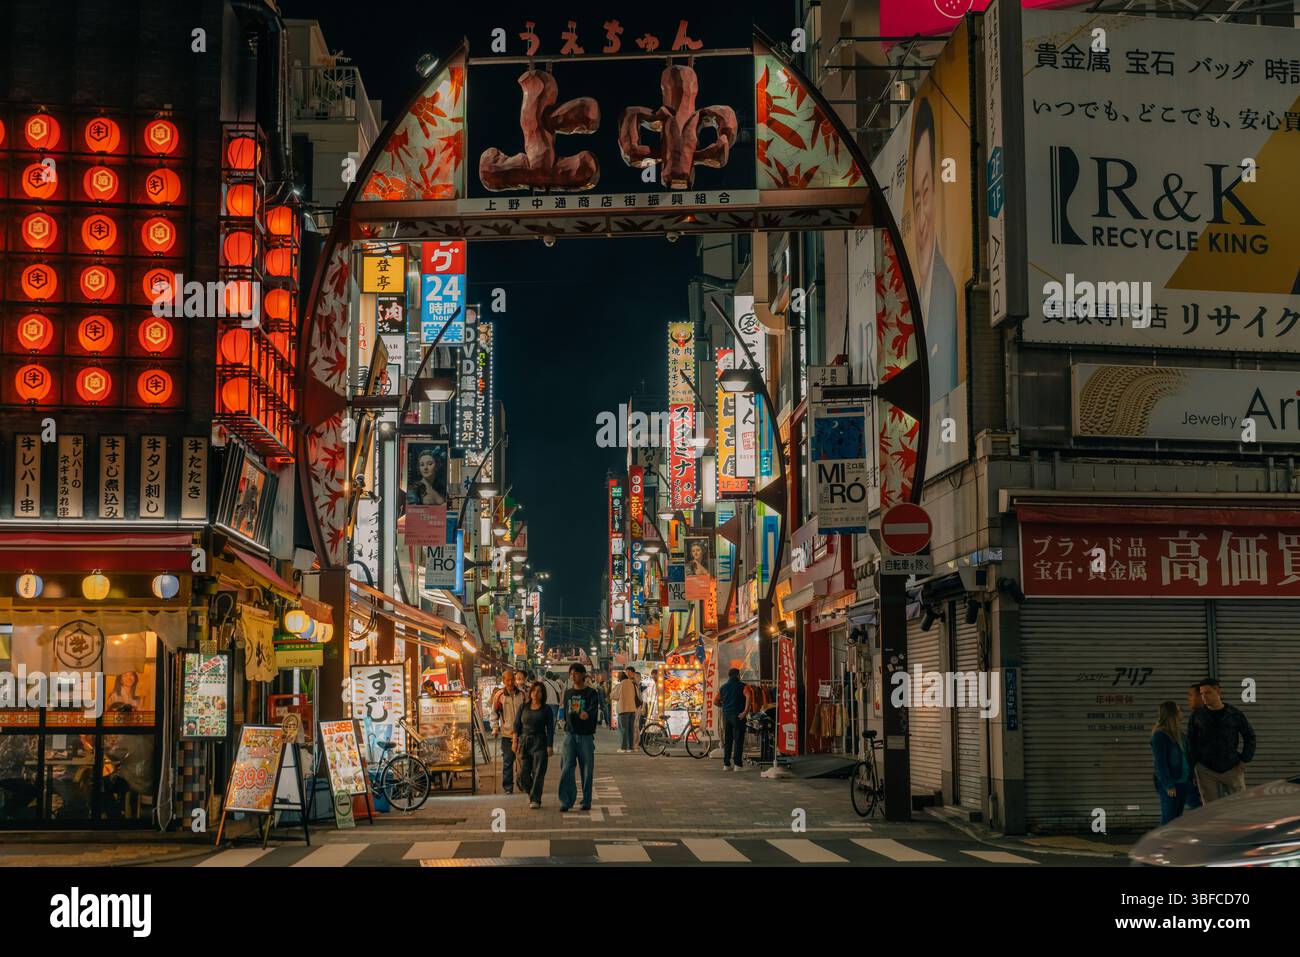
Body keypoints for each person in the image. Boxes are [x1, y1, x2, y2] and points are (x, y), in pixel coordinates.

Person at [909, 96, 958, 399]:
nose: (922, 214)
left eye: (926, 194)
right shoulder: (908, 295)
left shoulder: (946, 292)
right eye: (915, 199)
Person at [1187, 678, 1255, 803]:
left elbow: (1249, 736)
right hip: (1205, 769)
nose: (1204, 697)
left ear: (1218, 692)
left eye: (1208, 693)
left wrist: (1245, 759)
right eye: (1201, 694)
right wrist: (1193, 768)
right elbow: (1191, 742)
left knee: (1240, 805)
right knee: (1210, 809)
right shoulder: (1197, 716)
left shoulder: (1234, 714)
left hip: (1232, 766)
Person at [557, 663, 601, 812]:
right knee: (567, 767)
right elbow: (565, 711)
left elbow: (594, 710)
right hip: (570, 735)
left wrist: (587, 714)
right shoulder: (568, 693)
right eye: (571, 674)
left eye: (576, 673)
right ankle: (566, 800)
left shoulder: (591, 693)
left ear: (583, 675)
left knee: (587, 769)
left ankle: (586, 800)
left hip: (586, 736)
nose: (573, 676)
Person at [512, 682, 555, 809]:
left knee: (538, 772)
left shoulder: (546, 709)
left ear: (543, 694)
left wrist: (550, 745)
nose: (536, 693)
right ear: (530, 692)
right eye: (534, 690)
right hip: (524, 741)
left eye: (539, 691)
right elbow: (516, 725)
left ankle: (535, 799)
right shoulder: (523, 707)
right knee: (522, 774)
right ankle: (531, 791)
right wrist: (514, 741)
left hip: (540, 741)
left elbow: (550, 729)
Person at [1150, 701, 1191, 825]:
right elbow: (1160, 763)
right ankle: (1162, 844)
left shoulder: (1180, 735)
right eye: (1179, 710)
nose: (1181, 712)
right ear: (1172, 714)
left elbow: (1186, 758)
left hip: (1183, 781)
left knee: (1177, 818)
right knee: (1169, 819)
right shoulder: (1160, 735)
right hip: (1171, 783)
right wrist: (1168, 784)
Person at [492, 670, 525, 795]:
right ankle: (508, 787)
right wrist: (495, 728)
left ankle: (522, 782)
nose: (510, 682)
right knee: (507, 761)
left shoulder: (522, 694)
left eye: (512, 679)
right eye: (507, 680)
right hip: (507, 734)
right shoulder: (499, 696)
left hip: (522, 733)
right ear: (503, 681)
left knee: (522, 761)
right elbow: (494, 713)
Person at [714, 667, 751, 771]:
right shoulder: (744, 686)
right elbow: (748, 697)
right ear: (738, 675)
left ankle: (726, 764)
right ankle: (737, 765)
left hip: (726, 716)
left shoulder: (723, 687)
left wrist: (724, 706)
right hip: (738, 716)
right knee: (738, 740)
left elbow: (715, 701)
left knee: (728, 739)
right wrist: (745, 712)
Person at [1184, 683, 1204, 811]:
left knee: (1197, 803)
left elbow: (1195, 746)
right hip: (1199, 767)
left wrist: (1192, 770)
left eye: (1191, 695)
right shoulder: (1197, 716)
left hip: (1200, 768)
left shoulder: (1199, 717)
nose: (1188, 699)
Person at [614, 668, 642, 752]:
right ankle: (631, 747)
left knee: (623, 729)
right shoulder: (633, 684)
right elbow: (637, 695)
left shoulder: (621, 684)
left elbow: (613, 696)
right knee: (631, 729)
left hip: (623, 709)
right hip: (632, 709)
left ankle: (623, 748)